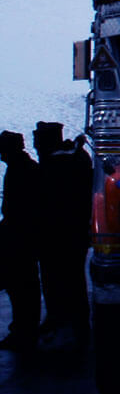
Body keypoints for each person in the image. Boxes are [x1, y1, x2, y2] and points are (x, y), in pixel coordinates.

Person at [32, 123, 91, 350]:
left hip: (60, 234)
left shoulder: (56, 164)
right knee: (71, 279)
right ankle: (74, 322)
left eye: (38, 140)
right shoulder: (74, 158)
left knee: (63, 278)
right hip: (68, 233)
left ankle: (72, 323)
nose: (35, 146)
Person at [0, 130, 40, 351]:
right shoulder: (26, 168)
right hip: (22, 237)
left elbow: (18, 210)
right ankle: (25, 329)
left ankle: (23, 331)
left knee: (21, 287)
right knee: (23, 287)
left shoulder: (19, 171)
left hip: (20, 238)